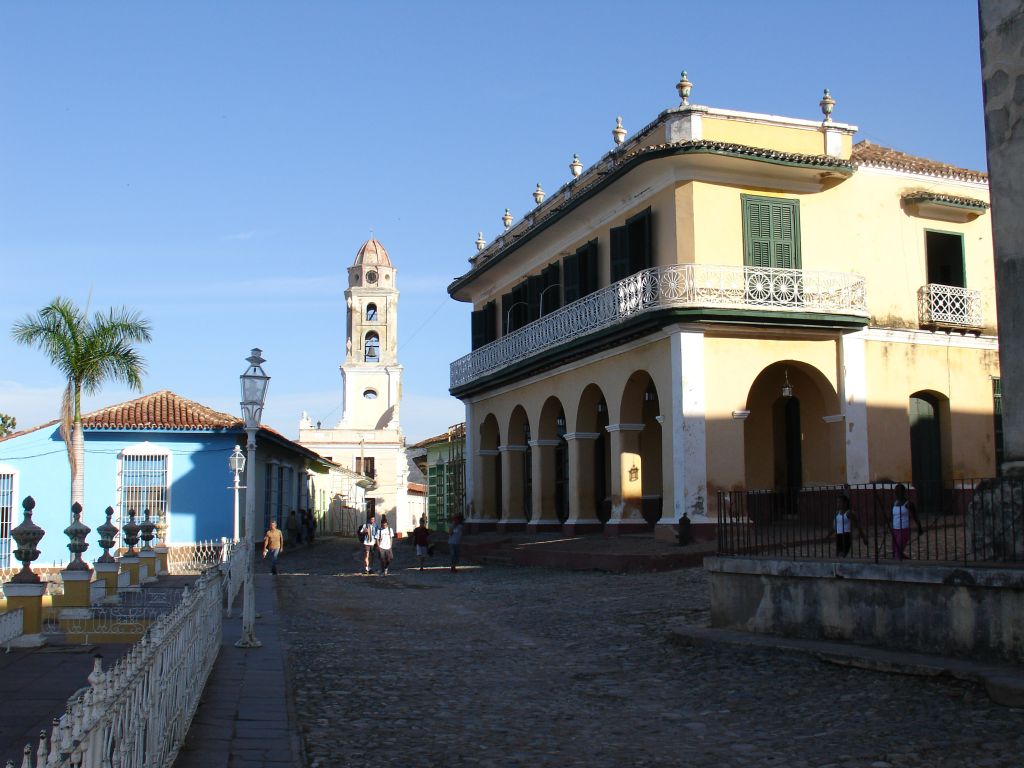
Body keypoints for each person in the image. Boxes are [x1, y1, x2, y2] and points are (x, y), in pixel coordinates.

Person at [890, 483, 923, 561]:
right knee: (895, 551)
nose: (896, 494)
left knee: (898, 551)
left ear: (903, 493)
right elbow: (892, 516)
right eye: (895, 492)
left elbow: (915, 516)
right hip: (895, 529)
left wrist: (919, 528)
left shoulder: (908, 504)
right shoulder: (895, 503)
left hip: (904, 530)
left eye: (898, 492)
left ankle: (899, 566)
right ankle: (904, 558)